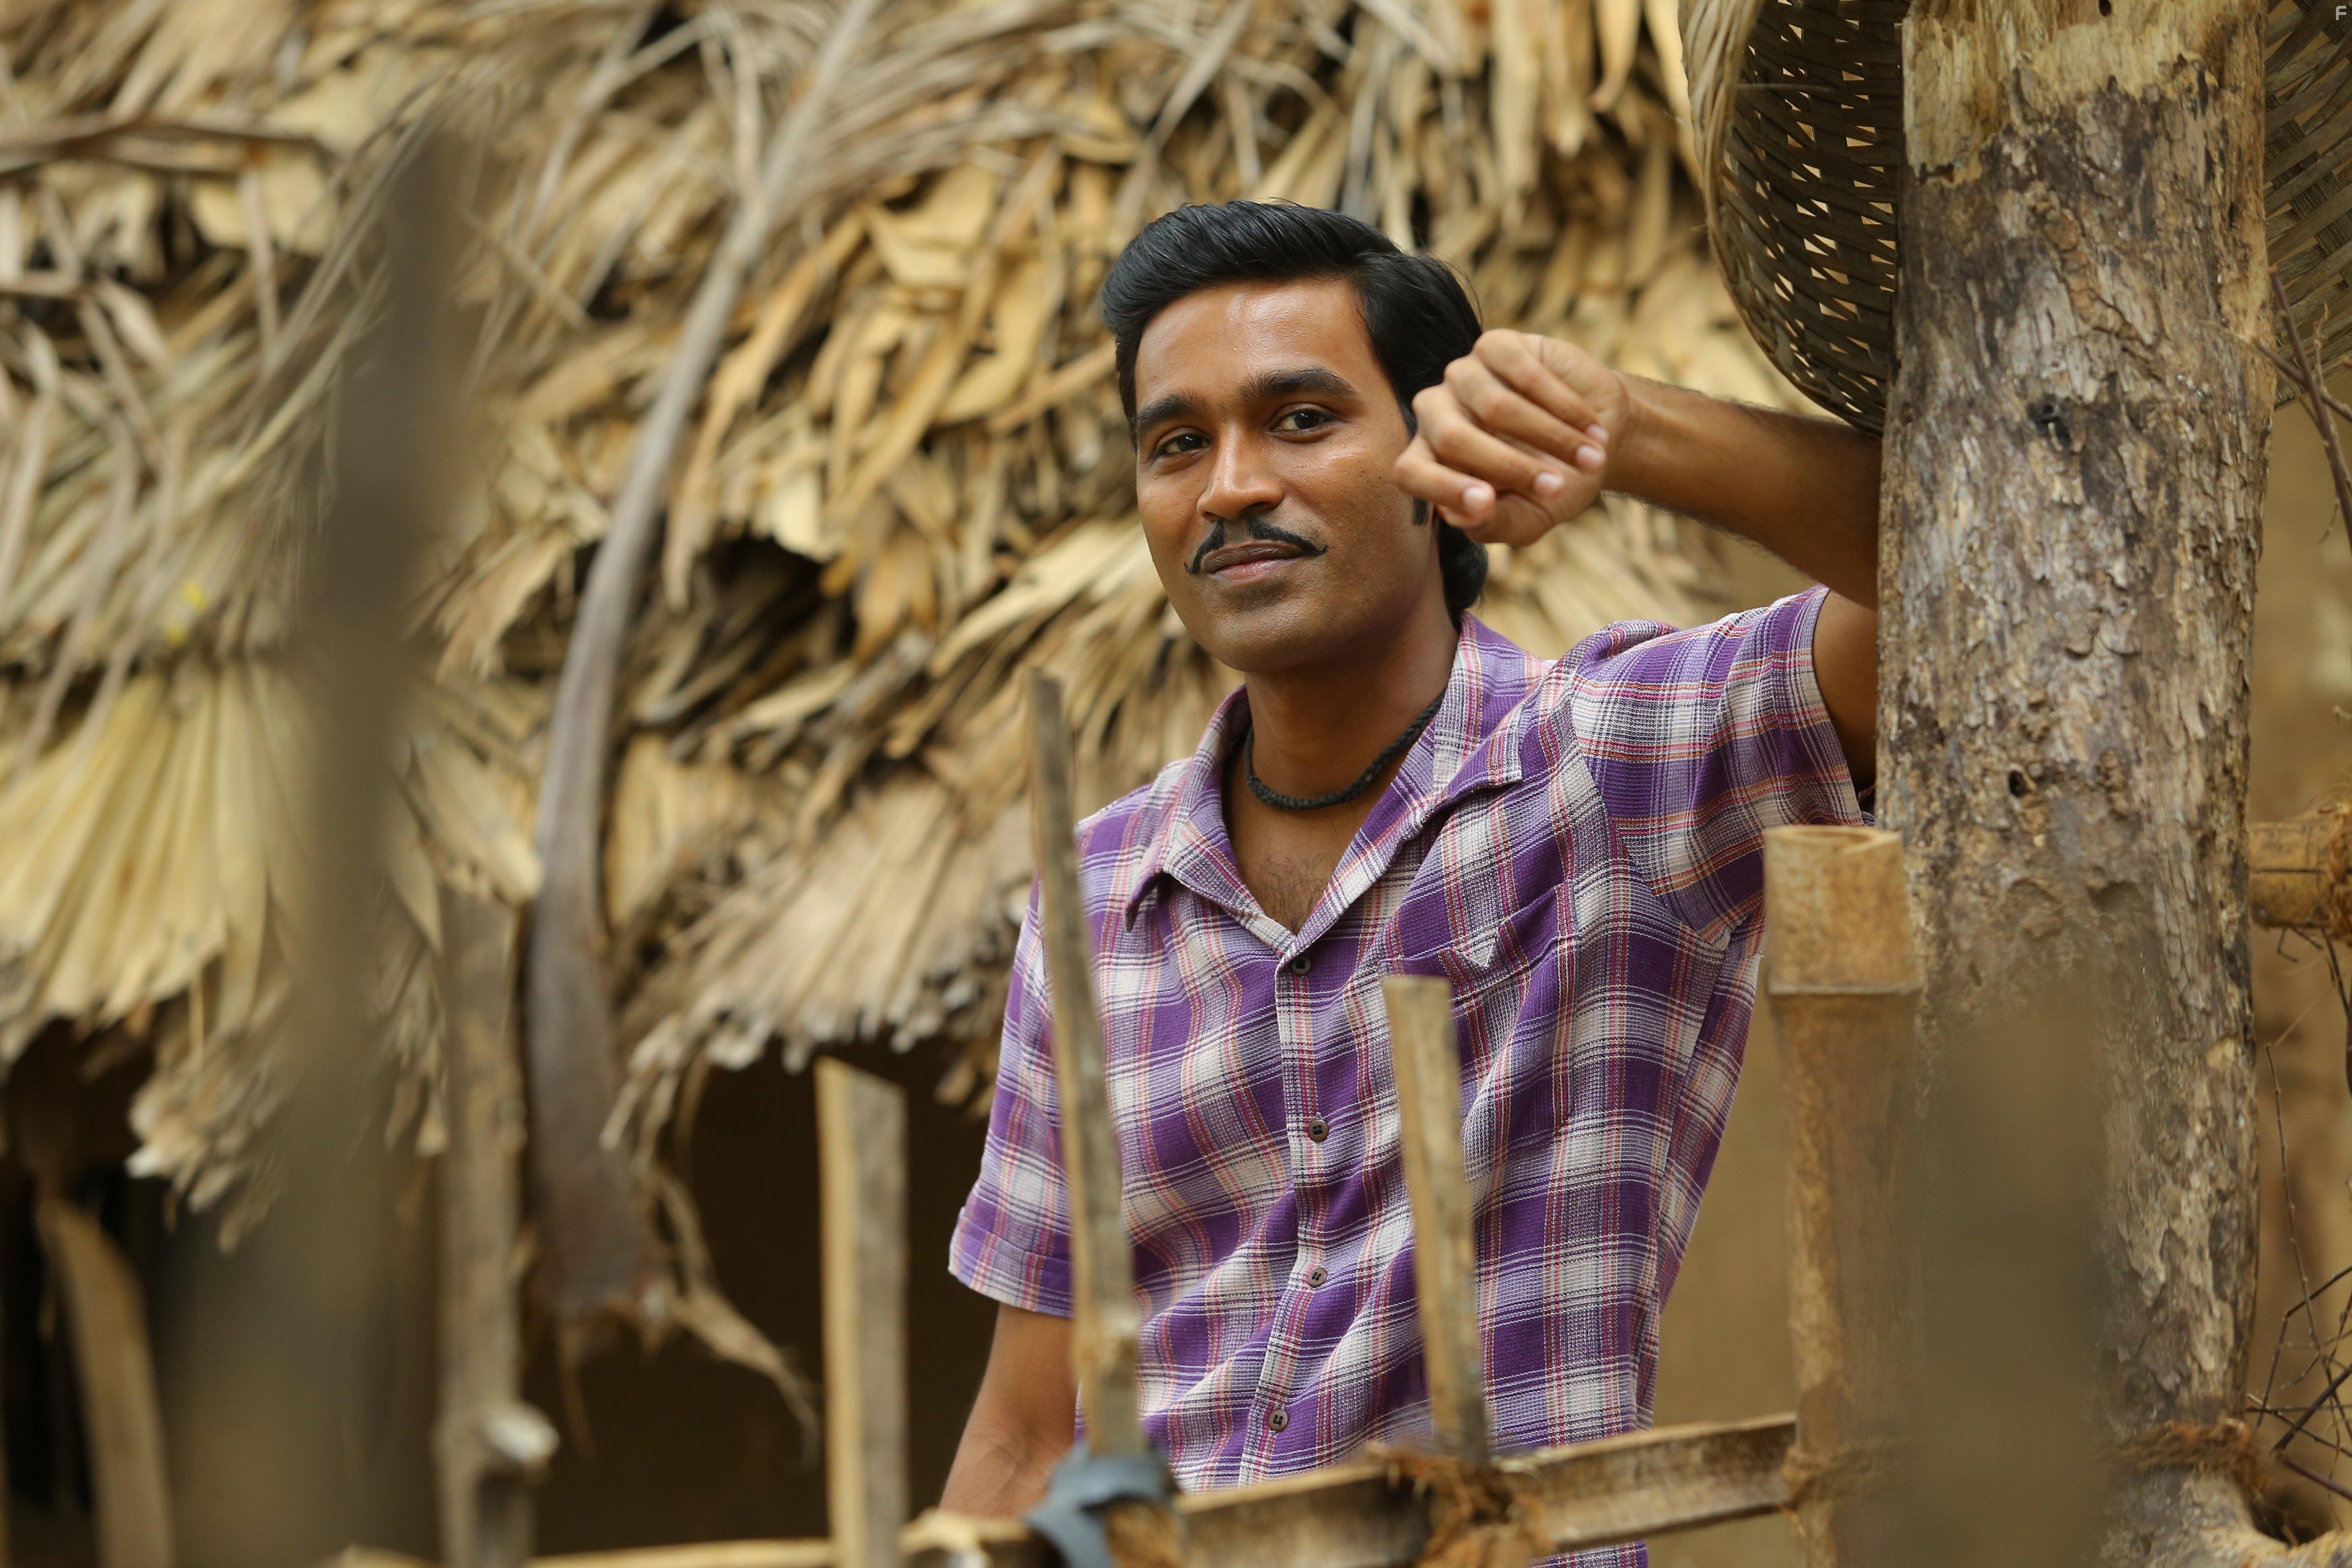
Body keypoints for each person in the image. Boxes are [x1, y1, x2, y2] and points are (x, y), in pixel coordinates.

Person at [938, 199, 1881, 1566]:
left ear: (1438, 457)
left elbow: (1964, 561)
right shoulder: (1087, 904)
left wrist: (1623, 425)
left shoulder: (1604, 770)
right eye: (1176, 443)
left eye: (1300, 418)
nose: (1228, 487)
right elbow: (1026, 1438)